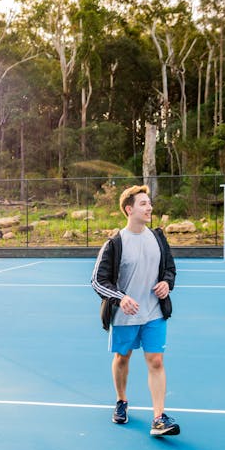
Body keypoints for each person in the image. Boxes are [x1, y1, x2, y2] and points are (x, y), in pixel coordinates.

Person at [91, 184, 179, 436]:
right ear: (129, 209)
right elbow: (97, 280)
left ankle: (159, 418)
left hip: (154, 312)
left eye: (149, 202)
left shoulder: (158, 238)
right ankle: (121, 401)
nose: (149, 206)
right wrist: (120, 298)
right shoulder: (115, 243)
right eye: (143, 203)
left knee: (156, 360)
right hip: (125, 315)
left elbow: (170, 269)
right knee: (122, 358)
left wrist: (167, 283)